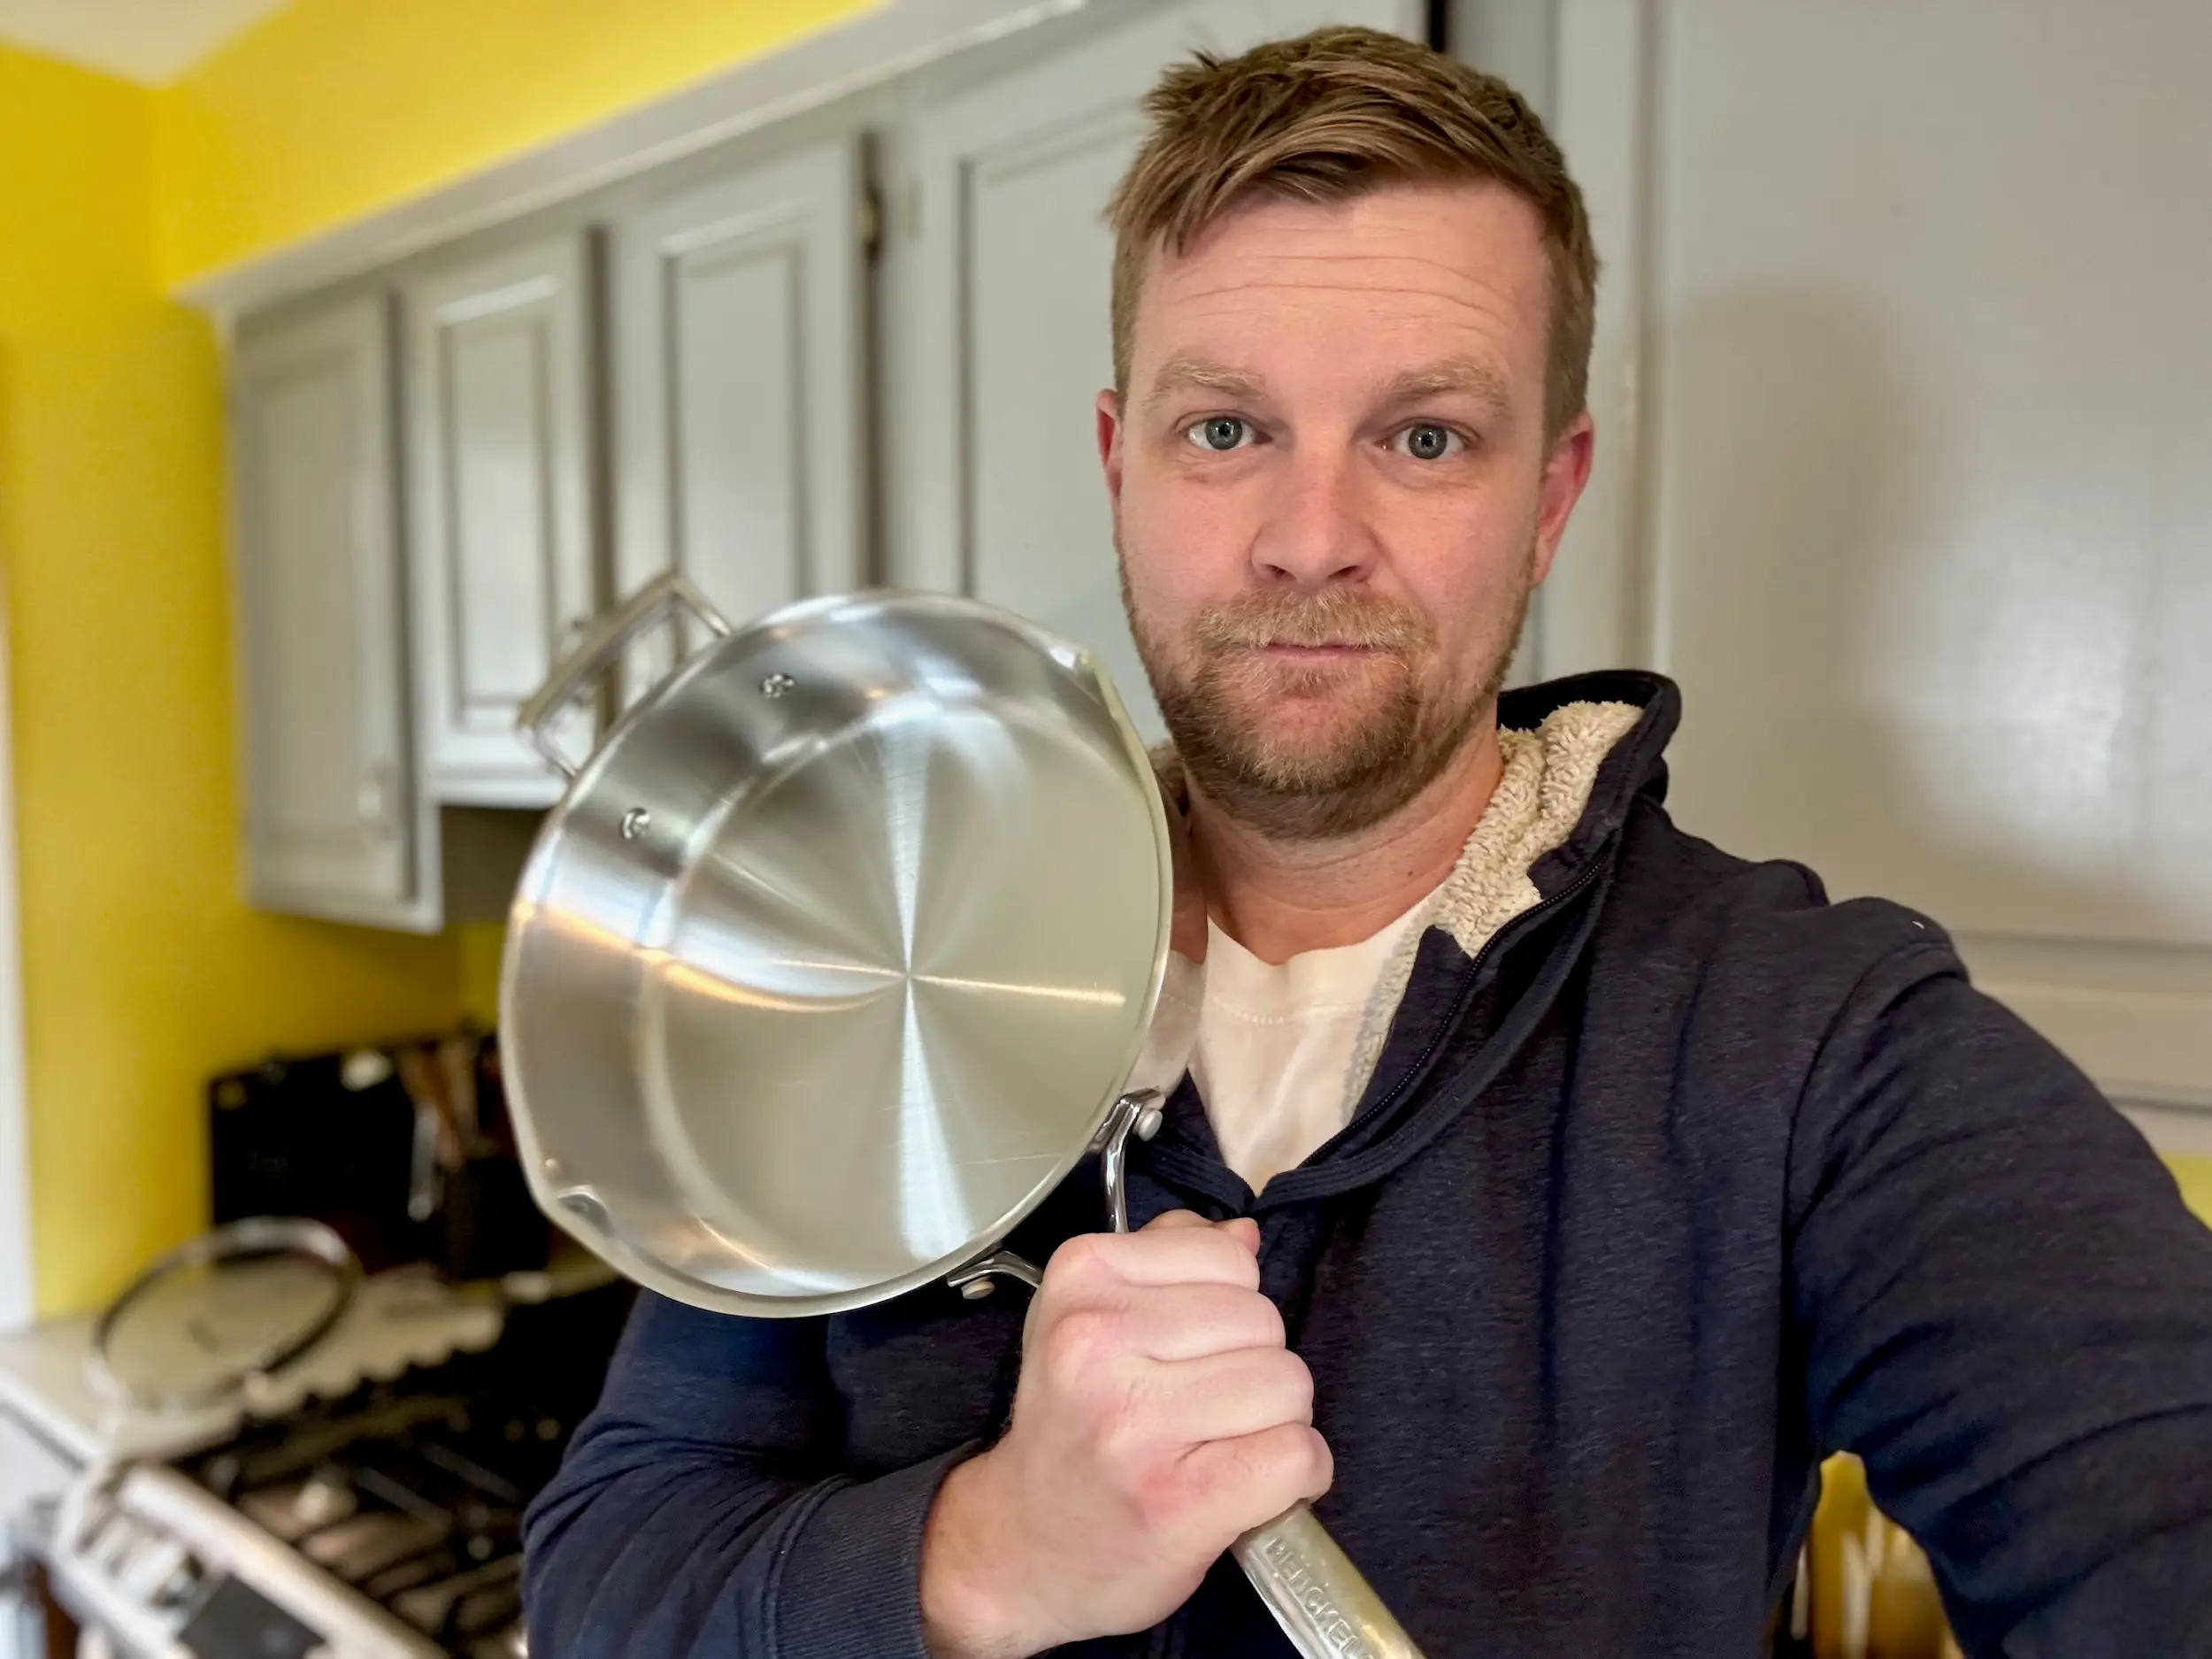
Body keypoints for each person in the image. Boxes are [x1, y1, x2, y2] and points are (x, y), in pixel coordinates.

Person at [521, 27, 2212, 1657]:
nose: (1309, 540)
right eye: (1227, 430)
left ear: (1548, 497)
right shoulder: (862, 962)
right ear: (1123, 467)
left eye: (1423, 437)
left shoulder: (1814, 1048)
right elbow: (603, 1582)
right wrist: (993, 1553)